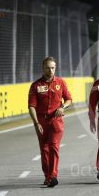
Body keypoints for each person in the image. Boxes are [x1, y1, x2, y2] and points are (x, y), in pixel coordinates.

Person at [28, 56, 72, 188]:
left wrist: (62, 107)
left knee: (53, 146)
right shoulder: (36, 85)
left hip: (56, 121)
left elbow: (69, 99)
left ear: (55, 68)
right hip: (41, 121)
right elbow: (31, 106)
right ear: (43, 68)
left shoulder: (61, 82)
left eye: (52, 68)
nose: (50, 70)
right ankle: (47, 176)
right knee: (44, 149)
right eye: (47, 68)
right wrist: (36, 123)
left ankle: (53, 175)